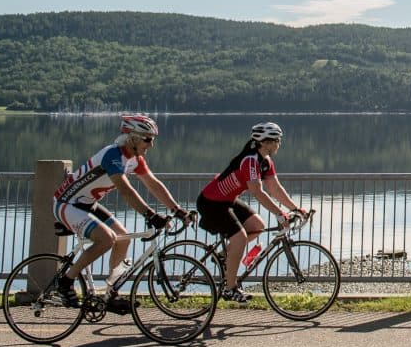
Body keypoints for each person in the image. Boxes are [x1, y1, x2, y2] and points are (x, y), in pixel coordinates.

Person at [52, 114, 189, 311]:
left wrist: (177, 210)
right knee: (107, 239)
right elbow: (126, 191)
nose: (151, 145)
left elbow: (153, 184)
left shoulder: (135, 159)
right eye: (147, 139)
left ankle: (111, 294)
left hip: (88, 203)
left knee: (123, 238)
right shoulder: (112, 155)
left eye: (153, 139)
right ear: (132, 137)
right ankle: (65, 282)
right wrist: (151, 215)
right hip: (66, 203)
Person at [196, 121, 307, 302]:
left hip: (227, 201)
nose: (279, 144)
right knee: (239, 238)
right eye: (277, 140)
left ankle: (224, 256)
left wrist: (294, 208)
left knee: (257, 226)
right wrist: (279, 213)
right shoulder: (249, 160)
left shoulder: (265, 161)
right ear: (266, 142)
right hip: (211, 203)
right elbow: (257, 191)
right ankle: (230, 288)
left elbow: (274, 188)